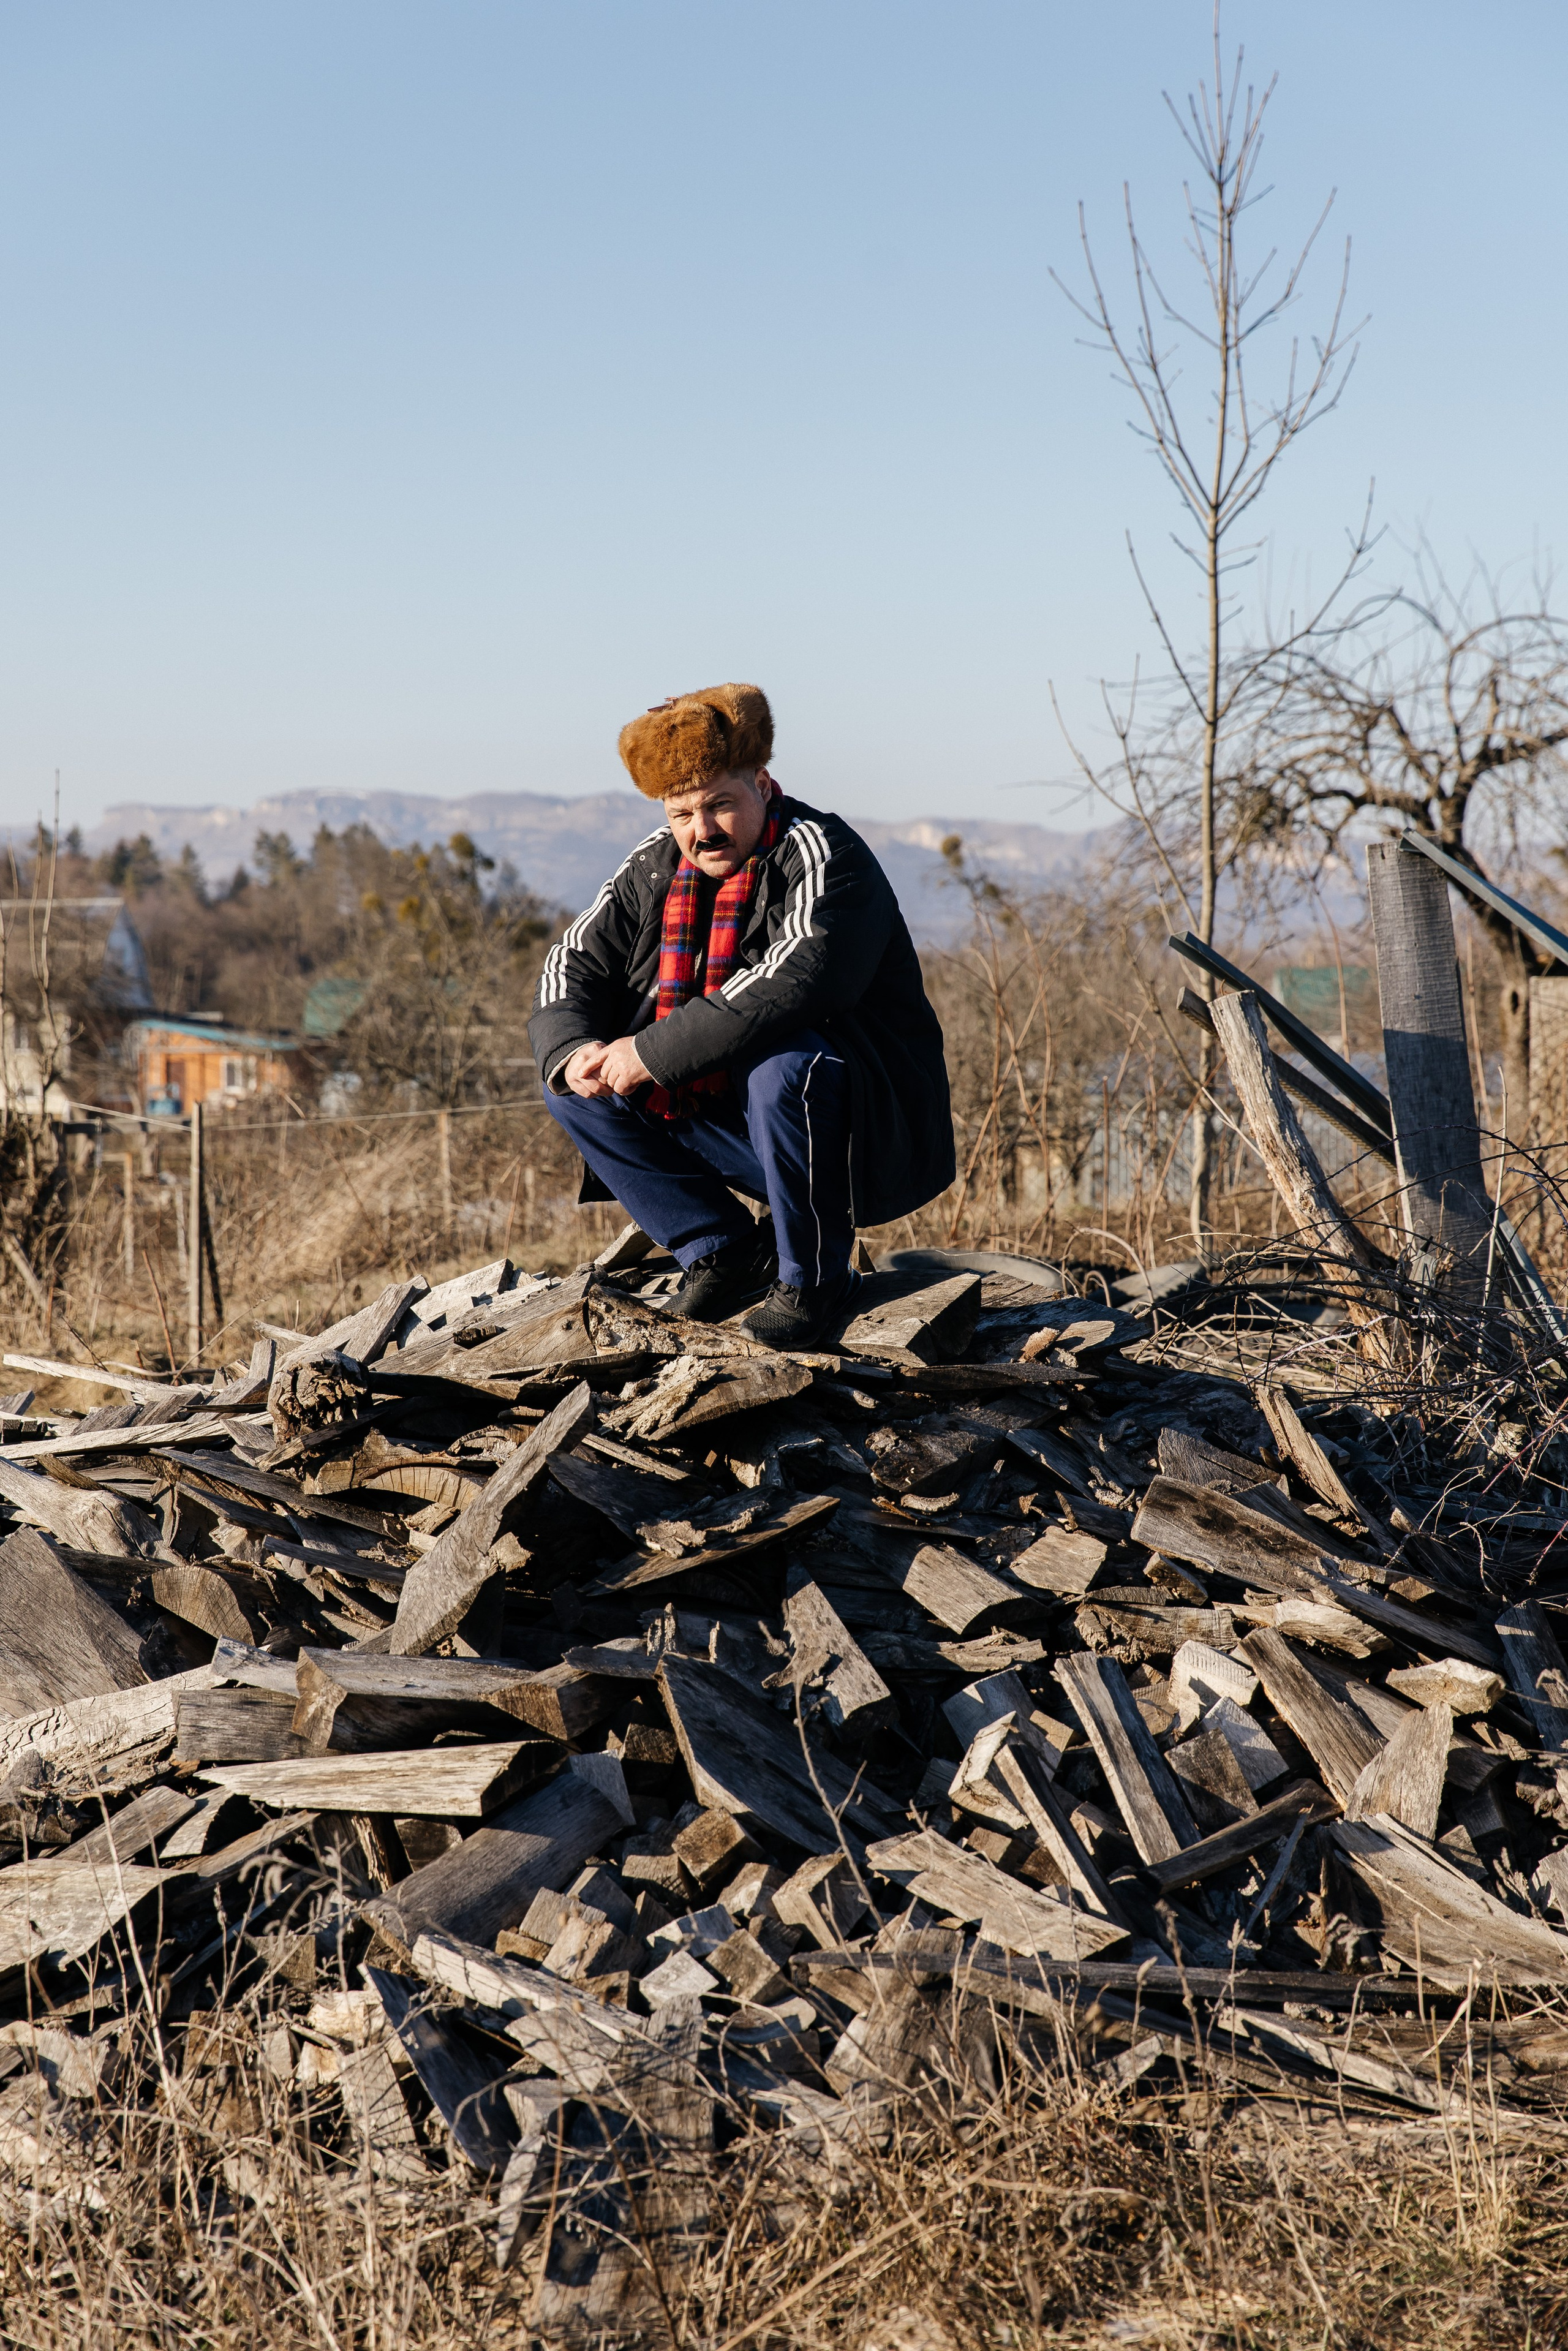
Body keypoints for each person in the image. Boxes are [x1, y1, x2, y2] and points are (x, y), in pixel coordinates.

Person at [529, 682, 954, 1345]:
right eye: (681, 814)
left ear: (761, 782)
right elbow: (571, 963)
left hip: (858, 1134)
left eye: (720, 804)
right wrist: (570, 1050)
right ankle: (722, 1251)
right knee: (578, 1086)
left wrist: (648, 1052)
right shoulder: (653, 866)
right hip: (740, 1128)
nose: (700, 831)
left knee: (781, 1065)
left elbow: (796, 980)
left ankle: (814, 1278)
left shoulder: (822, 853)